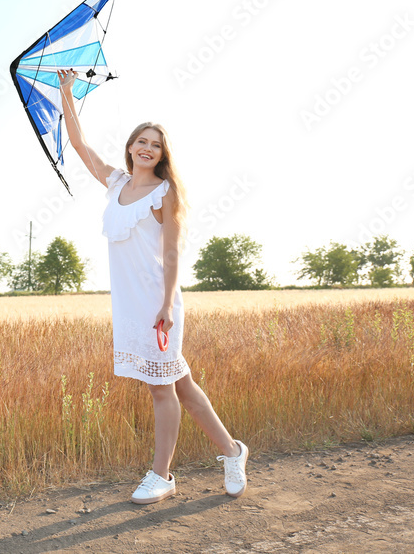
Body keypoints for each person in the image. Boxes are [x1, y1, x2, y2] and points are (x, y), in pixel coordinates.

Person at [56, 68, 248, 505]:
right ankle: (233, 451)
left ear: (162, 154)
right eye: (141, 140)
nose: (147, 147)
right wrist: (67, 92)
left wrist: (166, 305)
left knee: (162, 388)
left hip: (158, 304)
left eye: (155, 143)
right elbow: (80, 144)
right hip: (128, 304)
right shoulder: (117, 183)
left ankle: (161, 475)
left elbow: (173, 253)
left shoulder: (165, 193)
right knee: (182, 388)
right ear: (130, 148)